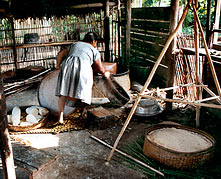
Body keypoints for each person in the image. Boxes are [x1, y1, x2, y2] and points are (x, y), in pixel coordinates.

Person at [55, 32, 110, 123]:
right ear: (94, 41)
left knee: (63, 92)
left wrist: (58, 66)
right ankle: (82, 113)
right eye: (95, 43)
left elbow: (61, 53)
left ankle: (60, 117)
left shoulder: (75, 44)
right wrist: (105, 73)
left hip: (67, 65)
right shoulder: (94, 50)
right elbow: (100, 68)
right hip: (83, 67)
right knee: (85, 90)